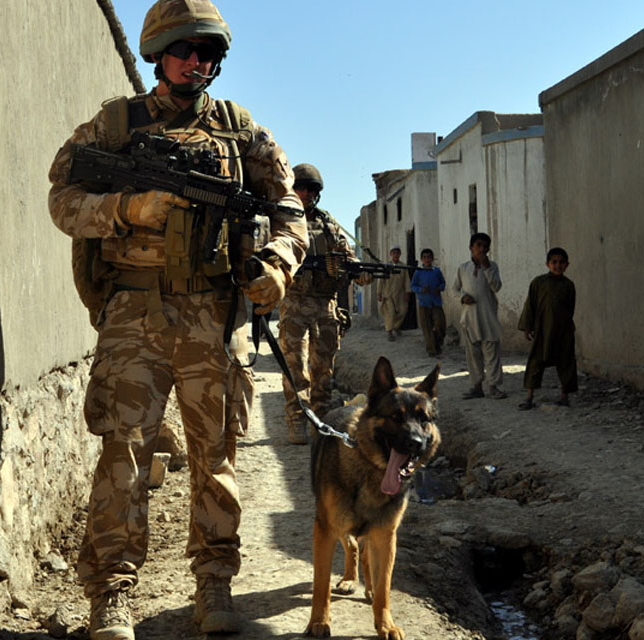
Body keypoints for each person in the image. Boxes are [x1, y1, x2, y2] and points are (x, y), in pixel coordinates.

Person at [46, 1, 307, 637]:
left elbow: (289, 207)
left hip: (213, 313)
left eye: (210, 53)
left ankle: (215, 583)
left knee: (214, 454)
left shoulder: (241, 131)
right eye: (186, 49)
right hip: (133, 311)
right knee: (124, 453)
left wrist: (277, 263)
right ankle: (112, 594)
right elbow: (63, 199)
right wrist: (131, 208)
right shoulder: (114, 125)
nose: (198, 62)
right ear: (158, 52)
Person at [278, 164, 370, 444]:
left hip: (325, 304)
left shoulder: (327, 223)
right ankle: (297, 419)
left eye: (312, 190)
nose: (306, 194)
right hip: (294, 303)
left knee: (324, 368)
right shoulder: (281, 220)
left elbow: (346, 255)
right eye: (302, 188)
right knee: (295, 366)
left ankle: (321, 419)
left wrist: (359, 271)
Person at [517, 247, 578, 410]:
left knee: (566, 363)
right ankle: (529, 398)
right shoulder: (538, 283)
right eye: (554, 262)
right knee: (535, 363)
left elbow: (570, 309)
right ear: (547, 264)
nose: (558, 266)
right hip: (542, 331)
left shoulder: (569, 285)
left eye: (561, 263)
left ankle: (565, 397)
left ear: (567, 265)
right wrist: (527, 327)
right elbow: (530, 305)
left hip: (563, 331)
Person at [453, 233, 507, 399]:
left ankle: (493, 386)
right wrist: (463, 298)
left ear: (489, 249)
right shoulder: (463, 268)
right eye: (478, 245)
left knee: (491, 353)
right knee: (473, 355)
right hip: (469, 317)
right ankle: (477, 386)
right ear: (471, 247)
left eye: (485, 246)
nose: (481, 249)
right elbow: (454, 290)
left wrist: (487, 268)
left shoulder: (493, 267)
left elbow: (496, 286)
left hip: (488, 316)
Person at [410, 248, 446, 356]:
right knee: (427, 328)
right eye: (424, 257)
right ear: (421, 259)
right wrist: (421, 290)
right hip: (424, 303)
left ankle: (438, 343)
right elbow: (413, 286)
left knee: (440, 325)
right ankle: (432, 350)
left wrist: (439, 288)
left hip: (436, 303)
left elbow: (443, 283)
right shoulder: (418, 272)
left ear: (432, 258)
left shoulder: (436, 271)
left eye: (429, 257)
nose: (427, 259)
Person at [377, 245, 410, 341]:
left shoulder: (403, 267)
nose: (395, 255)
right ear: (391, 254)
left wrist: (407, 293)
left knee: (403, 311)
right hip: (388, 295)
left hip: (400, 294)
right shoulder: (386, 266)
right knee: (390, 313)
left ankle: (396, 326)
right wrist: (379, 293)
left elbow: (407, 281)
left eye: (397, 253)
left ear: (400, 254)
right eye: (393, 253)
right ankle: (389, 331)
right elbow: (381, 281)